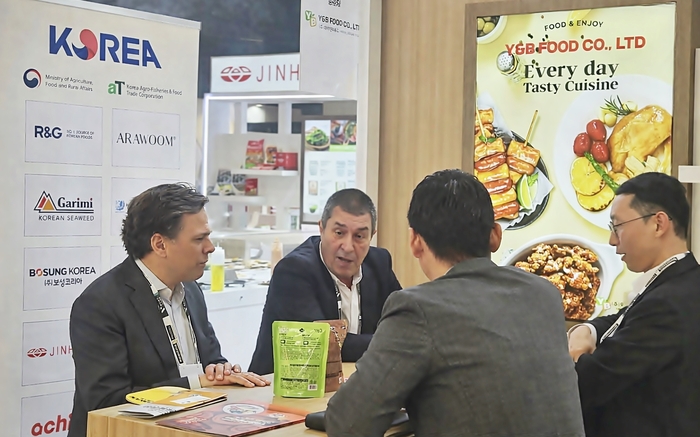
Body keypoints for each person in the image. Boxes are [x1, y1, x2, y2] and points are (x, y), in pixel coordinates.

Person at [325, 169, 585, 437]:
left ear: (414, 241)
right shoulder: (545, 294)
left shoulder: (418, 310)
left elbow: (347, 424)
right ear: (495, 236)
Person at [68, 183, 270, 437]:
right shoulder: (101, 303)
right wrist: (195, 383)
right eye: (199, 239)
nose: (210, 247)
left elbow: (211, 360)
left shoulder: (191, 290)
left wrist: (221, 371)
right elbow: (106, 401)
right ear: (160, 244)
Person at [568, 172, 700, 437]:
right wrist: (586, 330)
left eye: (617, 226)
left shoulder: (668, 304)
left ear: (658, 224)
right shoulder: (677, 282)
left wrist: (576, 354)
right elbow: (623, 318)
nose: (612, 240)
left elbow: (588, 382)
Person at [248, 188, 402, 375]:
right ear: (321, 228)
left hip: (355, 382)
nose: (348, 247)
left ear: (372, 236)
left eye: (359, 236)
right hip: (283, 386)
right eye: (339, 233)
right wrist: (394, 342)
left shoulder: (378, 263)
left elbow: (405, 322)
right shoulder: (294, 271)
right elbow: (324, 344)